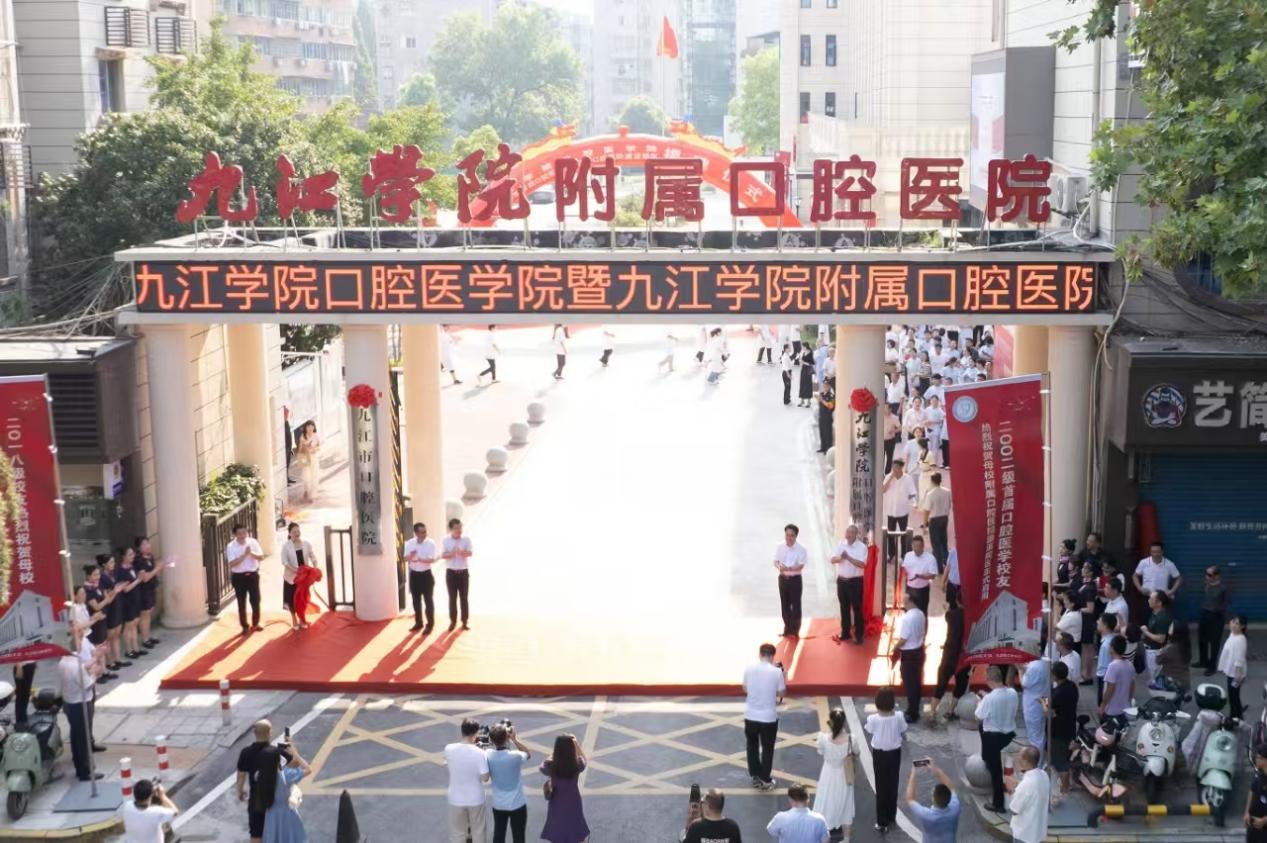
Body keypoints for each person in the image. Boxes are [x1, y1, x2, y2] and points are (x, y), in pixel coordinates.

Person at [975, 665, 1019, 812]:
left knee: (996, 772)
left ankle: (998, 804)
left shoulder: (989, 699)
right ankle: (987, 759)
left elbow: (978, 715)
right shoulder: (1012, 693)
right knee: (992, 763)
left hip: (993, 738)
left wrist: (980, 701)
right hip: (1008, 733)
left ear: (989, 680)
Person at [743, 643, 785, 790]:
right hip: (768, 717)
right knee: (767, 749)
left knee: (752, 746)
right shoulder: (777, 672)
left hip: (750, 715)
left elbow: (745, 688)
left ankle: (755, 775)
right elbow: (782, 693)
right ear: (773, 656)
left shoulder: (749, 668)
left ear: (760, 654)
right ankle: (765, 779)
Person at [864, 687, 907, 834]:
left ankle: (882, 822)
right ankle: (891, 816)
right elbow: (903, 728)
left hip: (879, 754)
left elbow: (869, 729)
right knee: (893, 784)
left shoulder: (873, 719)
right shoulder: (899, 716)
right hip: (895, 753)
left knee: (881, 786)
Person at [58, 637, 99, 782]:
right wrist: (94, 673)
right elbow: (87, 685)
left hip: (69, 702)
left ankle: (79, 766)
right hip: (80, 703)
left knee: (76, 737)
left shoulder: (63, 661)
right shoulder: (77, 666)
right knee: (83, 739)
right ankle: (85, 771)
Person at [811, 708, 855, 840]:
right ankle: (846, 839)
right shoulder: (851, 739)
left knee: (826, 801)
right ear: (844, 722)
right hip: (844, 775)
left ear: (831, 722)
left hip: (828, 774)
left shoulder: (823, 738)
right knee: (846, 805)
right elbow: (856, 752)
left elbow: (820, 751)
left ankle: (825, 836)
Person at [237, 720, 284, 843]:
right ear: (269, 733)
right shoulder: (274, 752)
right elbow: (280, 774)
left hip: (256, 802)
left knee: (256, 835)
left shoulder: (246, 752)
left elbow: (241, 776)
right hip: (273, 800)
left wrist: (240, 791)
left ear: (254, 733)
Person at [446, 719, 491, 843]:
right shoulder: (480, 753)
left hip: (455, 798)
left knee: (458, 834)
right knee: (478, 833)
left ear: (462, 731)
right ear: (476, 733)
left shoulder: (449, 749)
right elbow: (485, 778)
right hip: (475, 799)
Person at [258, 742, 312, 843]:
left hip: (271, 815)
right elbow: (308, 769)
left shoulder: (259, 776)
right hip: (288, 814)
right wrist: (295, 753)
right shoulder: (287, 775)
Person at [486, 723, 531, 843]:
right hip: (517, 803)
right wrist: (514, 739)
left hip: (498, 804)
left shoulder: (488, 754)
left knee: (499, 835)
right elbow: (527, 754)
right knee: (519, 836)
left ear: (492, 740)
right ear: (506, 737)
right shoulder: (515, 756)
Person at [540, 734, 589, 843]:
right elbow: (584, 761)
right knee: (575, 827)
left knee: (558, 827)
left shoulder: (551, 766)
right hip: (573, 801)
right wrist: (576, 745)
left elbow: (542, 766)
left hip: (556, 801)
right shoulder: (577, 764)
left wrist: (554, 753)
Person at [930, 590, 969, 723]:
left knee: (941, 683)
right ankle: (950, 710)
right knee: (961, 685)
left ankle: (932, 712)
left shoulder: (950, 615)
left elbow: (947, 615)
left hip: (949, 653)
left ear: (957, 601)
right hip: (963, 656)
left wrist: (946, 608)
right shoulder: (970, 617)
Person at [830, 525, 868, 645]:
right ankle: (845, 632)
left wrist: (849, 558)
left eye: (851, 532)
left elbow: (862, 564)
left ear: (856, 534)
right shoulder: (841, 544)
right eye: (847, 532)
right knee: (844, 607)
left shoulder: (862, 547)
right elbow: (832, 560)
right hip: (842, 581)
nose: (848, 535)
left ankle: (859, 635)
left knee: (857, 608)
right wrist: (841, 558)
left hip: (855, 582)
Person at [892, 590, 927, 723]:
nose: (903, 602)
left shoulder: (907, 618)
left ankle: (912, 713)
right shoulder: (921, 614)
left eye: (905, 600)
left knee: (910, 684)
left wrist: (895, 647)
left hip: (909, 654)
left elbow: (903, 639)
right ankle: (913, 709)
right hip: (919, 651)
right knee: (916, 682)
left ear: (911, 601)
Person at [905, 761, 961, 843]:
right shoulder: (955, 808)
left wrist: (913, 774)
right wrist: (935, 769)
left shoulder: (926, 815)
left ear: (933, 799)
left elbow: (910, 799)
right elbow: (951, 787)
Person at [1046, 661, 1078, 801]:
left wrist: (1043, 702)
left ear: (1054, 675)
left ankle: (1065, 790)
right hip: (1070, 727)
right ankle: (1065, 784)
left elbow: (1047, 710)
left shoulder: (1058, 694)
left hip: (1058, 731)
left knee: (1061, 763)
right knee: (1064, 757)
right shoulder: (1072, 687)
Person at [1006, 746, 1049, 843]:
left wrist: (1012, 790)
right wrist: (1018, 784)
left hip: (1024, 834)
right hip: (1038, 831)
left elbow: (1014, 810)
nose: (1018, 759)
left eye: (1019, 756)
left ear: (1025, 761)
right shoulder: (1044, 775)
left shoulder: (1025, 785)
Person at [227, 524, 265, 635]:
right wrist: (244, 555)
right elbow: (232, 563)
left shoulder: (253, 542)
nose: (242, 536)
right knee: (241, 602)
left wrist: (251, 553)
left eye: (244, 533)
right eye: (239, 533)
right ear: (235, 534)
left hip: (252, 575)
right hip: (239, 577)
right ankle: (244, 626)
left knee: (256, 600)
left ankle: (255, 623)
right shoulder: (231, 546)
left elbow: (261, 557)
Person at [774, 524, 808, 638]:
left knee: (796, 605)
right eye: (787, 535)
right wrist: (779, 567)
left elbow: (801, 565)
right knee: (785, 604)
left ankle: (795, 630)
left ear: (796, 536)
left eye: (791, 535)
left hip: (795, 579)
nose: (789, 538)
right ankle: (787, 628)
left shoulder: (801, 549)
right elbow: (775, 561)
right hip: (783, 578)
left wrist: (789, 568)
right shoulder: (779, 546)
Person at [279, 522, 315, 631]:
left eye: (298, 531)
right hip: (291, 578)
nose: (296, 533)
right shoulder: (286, 546)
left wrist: (315, 564)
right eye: (294, 532)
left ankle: (302, 619)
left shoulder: (306, 543)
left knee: (302, 599)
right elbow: (284, 562)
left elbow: (312, 555)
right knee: (292, 599)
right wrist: (296, 570)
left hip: (303, 578)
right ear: (289, 533)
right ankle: (294, 618)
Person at [1132, 542, 1181, 619]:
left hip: (1162, 599)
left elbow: (1178, 578)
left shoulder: (1169, 564)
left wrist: (1171, 591)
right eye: (1153, 552)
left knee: (1162, 620)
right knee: (1146, 620)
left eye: (1158, 552)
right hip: (1147, 597)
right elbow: (1135, 576)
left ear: (1162, 552)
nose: (1155, 554)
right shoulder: (1144, 562)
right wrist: (1140, 588)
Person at [882, 459, 918, 564]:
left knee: (904, 534)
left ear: (901, 467)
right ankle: (891, 554)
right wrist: (890, 478)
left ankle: (904, 555)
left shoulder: (907, 479)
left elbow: (913, 492)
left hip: (903, 511)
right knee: (890, 534)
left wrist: (905, 499)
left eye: (896, 467)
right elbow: (883, 489)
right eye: (893, 467)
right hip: (890, 511)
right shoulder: (888, 477)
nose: (894, 469)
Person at [120, 778, 178, 843]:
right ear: (151, 794)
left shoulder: (128, 805)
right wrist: (162, 796)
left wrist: (151, 792)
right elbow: (175, 812)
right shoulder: (157, 812)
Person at [405, 522, 437, 633]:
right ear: (416, 533)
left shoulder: (430, 543)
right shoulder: (409, 543)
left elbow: (432, 559)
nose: (424, 534)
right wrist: (411, 556)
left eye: (425, 531)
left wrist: (419, 558)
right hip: (414, 575)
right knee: (416, 601)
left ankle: (430, 624)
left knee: (428, 601)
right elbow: (405, 558)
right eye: (422, 532)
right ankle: (418, 623)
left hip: (426, 575)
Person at [441, 518, 473, 631]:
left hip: (463, 573)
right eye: (456, 528)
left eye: (460, 527)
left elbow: (470, 553)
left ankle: (464, 622)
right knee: (452, 598)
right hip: (451, 573)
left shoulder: (466, 539)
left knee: (464, 598)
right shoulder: (445, 540)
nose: (459, 530)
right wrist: (452, 553)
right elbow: (443, 555)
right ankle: (453, 621)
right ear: (451, 529)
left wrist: (461, 552)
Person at [1196, 565, 1229, 675]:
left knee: (1214, 642)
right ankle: (1203, 661)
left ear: (1217, 576)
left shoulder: (1223, 588)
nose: (1207, 576)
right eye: (1206, 574)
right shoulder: (1206, 585)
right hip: (1204, 614)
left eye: (1209, 575)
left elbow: (1226, 604)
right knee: (1202, 639)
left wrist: (1216, 609)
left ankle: (1212, 666)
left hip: (1216, 617)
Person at [1099, 635, 1135, 732]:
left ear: (1112, 648)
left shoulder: (1113, 666)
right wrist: (1129, 700)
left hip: (1112, 710)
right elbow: (1132, 685)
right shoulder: (1130, 665)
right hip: (1125, 708)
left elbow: (1110, 688)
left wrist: (1103, 705)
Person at [1219, 614, 1249, 723]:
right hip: (1230, 671)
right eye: (1233, 622)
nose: (1233, 625)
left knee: (1233, 696)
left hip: (1236, 674)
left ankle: (1234, 717)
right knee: (1233, 695)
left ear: (1242, 626)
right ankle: (1238, 712)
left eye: (1237, 623)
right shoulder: (1233, 634)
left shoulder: (1241, 639)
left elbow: (1239, 659)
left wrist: (1238, 676)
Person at [133, 536, 161, 650]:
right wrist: (158, 568)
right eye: (144, 544)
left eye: (148, 543)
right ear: (139, 548)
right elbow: (145, 578)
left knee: (149, 613)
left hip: (151, 588)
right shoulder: (138, 560)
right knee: (144, 615)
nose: (147, 546)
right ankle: (144, 639)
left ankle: (148, 636)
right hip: (143, 591)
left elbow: (153, 574)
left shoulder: (150, 557)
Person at [1020, 655, 1049, 761]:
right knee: (1039, 734)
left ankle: (1037, 762)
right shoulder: (1044, 663)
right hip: (1040, 701)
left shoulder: (1033, 667)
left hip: (1033, 706)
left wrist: (1020, 670)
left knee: (1035, 737)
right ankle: (1039, 760)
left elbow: (1024, 683)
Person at [901, 536, 938, 616]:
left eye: (918, 546)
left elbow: (933, 575)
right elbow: (904, 569)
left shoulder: (930, 558)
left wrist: (921, 576)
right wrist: (903, 572)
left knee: (922, 613)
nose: (916, 549)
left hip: (922, 590)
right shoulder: (908, 555)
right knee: (908, 613)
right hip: (910, 588)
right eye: (914, 546)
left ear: (923, 546)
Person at [1141, 590, 1173, 684]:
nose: (1148, 600)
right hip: (1151, 650)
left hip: (1156, 652)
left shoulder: (1162, 618)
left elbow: (1161, 639)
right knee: (1153, 676)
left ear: (1159, 603)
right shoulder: (1155, 613)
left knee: (1157, 678)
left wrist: (1146, 632)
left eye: (1151, 599)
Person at [921, 473, 951, 573]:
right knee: (944, 542)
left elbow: (926, 511)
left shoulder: (930, 494)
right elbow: (949, 505)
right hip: (944, 518)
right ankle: (947, 564)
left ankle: (939, 567)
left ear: (932, 481)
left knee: (936, 544)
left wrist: (924, 525)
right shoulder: (947, 492)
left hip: (934, 520)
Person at [1095, 612, 1119, 705]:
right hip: (1111, 677)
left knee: (1103, 704)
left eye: (1099, 621)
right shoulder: (1113, 639)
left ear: (1105, 625)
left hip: (1105, 678)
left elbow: (1104, 667)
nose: (1097, 622)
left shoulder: (1106, 645)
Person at [1245, 743, 1267, 842]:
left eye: (1258, 757)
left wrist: (1264, 820)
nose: (1256, 760)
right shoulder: (1258, 775)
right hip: (1253, 824)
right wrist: (1247, 812)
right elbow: (1252, 791)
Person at [295, 421, 320, 503]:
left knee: (314, 476)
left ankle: (312, 495)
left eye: (311, 426)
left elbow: (318, 447)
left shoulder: (316, 436)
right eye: (308, 427)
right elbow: (300, 448)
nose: (310, 428)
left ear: (314, 427)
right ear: (305, 428)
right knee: (306, 477)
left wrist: (315, 449)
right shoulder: (303, 436)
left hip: (314, 458)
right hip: (305, 458)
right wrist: (306, 448)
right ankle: (307, 490)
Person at [815, 382, 835, 454]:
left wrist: (822, 401)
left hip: (827, 417)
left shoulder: (831, 395)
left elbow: (831, 406)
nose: (824, 387)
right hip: (821, 416)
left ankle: (828, 449)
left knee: (827, 433)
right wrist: (818, 399)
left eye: (826, 386)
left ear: (829, 387)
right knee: (822, 432)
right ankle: (823, 447)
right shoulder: (822, 394)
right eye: (824, 386)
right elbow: (819, 403)